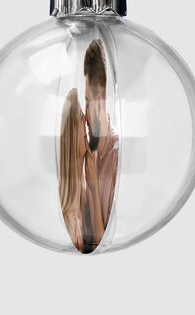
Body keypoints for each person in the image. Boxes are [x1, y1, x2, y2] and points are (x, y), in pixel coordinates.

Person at [82, 39, 119, 252]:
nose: (84, 114)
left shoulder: (116, 158)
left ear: (98, 100)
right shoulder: (91, 152)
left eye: (87, 102)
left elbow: (100, 242)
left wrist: (93, 185)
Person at [59, 88, 104, 253]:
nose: (85, 118)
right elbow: (99, 244)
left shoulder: (81, 196)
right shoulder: (70, 213)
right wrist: (94, 186)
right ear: (70, 134)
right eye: (80, 116)